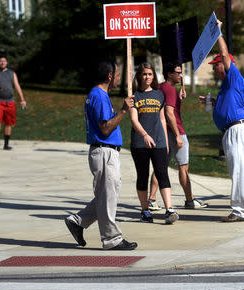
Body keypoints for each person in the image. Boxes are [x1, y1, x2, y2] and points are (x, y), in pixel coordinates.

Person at [65, 60, 137, 250]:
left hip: (105, 152)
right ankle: (112, 239)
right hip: (104, 151)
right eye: (118, 75)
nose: (120, 78)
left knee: (106, 195)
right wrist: (123, 110)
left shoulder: (98, 95)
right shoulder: (99, 96)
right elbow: (105, 128)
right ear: (110, 76)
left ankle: (78, 221)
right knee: (108, 197)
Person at [207, 18, 244, 222]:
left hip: (236, 130)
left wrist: (218, 32)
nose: (213, 69)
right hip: (238, 129)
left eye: (215, 65)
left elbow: (226, 54)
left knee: (238, 170)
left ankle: (239, 211)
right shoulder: (228, 85)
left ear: (225, 65)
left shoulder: (234, 75)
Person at [147, 62, 208, 210]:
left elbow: (167, 106)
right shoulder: (170, 90)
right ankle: (189, 200)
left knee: (160, 166)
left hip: (160, 132)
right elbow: (169, 113)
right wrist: (177, 135)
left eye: (181, 72)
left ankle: (152, 200)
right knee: (183, 166)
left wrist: (178, 98)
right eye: (178, 72)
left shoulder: (160, 87)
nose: (181, 75)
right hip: (175, 131)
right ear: (169, 74)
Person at [129, 62, 179, 224]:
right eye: (144, 74)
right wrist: (144, 135)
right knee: (142, 176)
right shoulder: (134, 96)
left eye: (150, 74)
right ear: (139, 76)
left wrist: (164, 141)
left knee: (162, 173)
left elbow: (163, 119)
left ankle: (169, 210)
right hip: (139, 143)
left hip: (158, 142)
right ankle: (145, 211)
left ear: (153, 76)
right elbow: (134, 120)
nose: (147, 77)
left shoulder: (159, 95)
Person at [0, 55, 26, 151]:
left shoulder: (12, 73)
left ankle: (6, 144)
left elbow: (17, 86)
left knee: (8, 123)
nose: (2, 63)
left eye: (4, 61)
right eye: (1, 61)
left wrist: (22, 99)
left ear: (7, 62)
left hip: (10, 101)